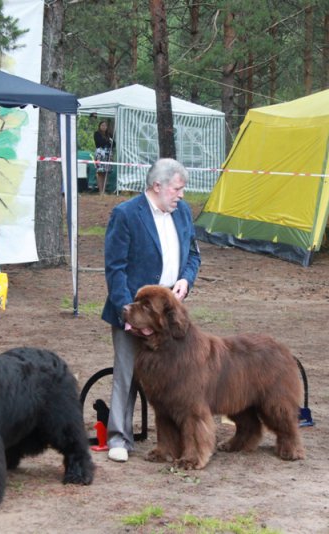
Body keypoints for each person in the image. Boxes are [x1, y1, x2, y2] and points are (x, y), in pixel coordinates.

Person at [101, 158, 201, 463]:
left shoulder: (183, 212)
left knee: (175, 373)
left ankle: (175, 439)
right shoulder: (126, 214)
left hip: (168, 315)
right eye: (177, 188)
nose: (181, 195)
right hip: (136, 310)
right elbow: (115, 269)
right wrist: (127, 315)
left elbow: (193, 255)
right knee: (127, 373)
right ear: (157, 185)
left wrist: (185, 280)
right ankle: (119, 438)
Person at [93, 120, 115, 195]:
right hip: (100, 155)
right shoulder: (97, 134)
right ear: (99, 126)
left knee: (106, 172)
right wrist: (107, 142)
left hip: (108, 155)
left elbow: (113, 144)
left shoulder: (109, 134)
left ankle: (104, 190)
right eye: (102, 125)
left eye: (105, 126)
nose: (104, 127)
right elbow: (99, 143)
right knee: (100, 172)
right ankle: (100, 191)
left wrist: (108, 142)